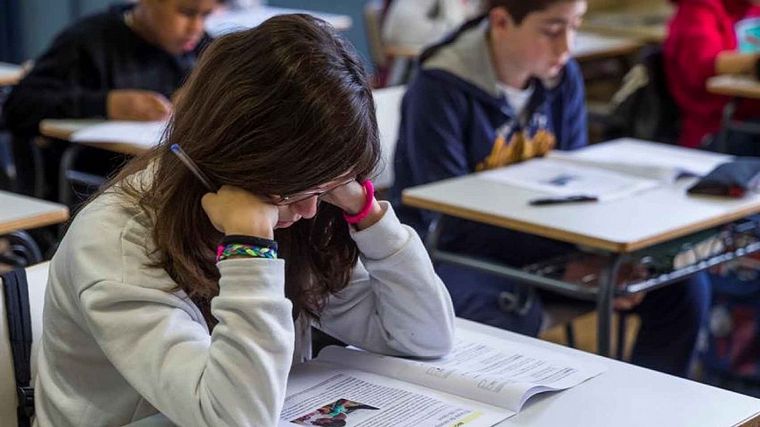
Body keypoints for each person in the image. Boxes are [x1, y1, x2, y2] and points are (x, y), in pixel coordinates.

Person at [34, 14, 455, 426]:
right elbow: (237, 418)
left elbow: (423, 338)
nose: (311, 210)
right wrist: (250, 250)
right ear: (240, 158)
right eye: (299, 191)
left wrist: (368, 216)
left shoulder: (294, 214)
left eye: (322, 190)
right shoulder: (119, 242)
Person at [390, 0, 711, 377]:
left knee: (681, 288)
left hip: (542, 246)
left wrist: (597, 259)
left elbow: (575, 192)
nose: (567, 47)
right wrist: (564, 266)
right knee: (504, 308)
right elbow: (446, 218)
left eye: (575, 26)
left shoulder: (563, 77)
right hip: (453, 253)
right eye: (552, 30)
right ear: (501, 21)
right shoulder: (440, 86)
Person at [3, 0, 221, 197]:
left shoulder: (201, 48)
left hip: (172, 178)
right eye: (186, 13)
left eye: (205, 15)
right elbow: (19, 105)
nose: (196, 28)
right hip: (97, 187)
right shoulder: (88, 41)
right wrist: (106, 104)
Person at [664, 0, 760, 151]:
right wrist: (754, 62)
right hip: (718, 128)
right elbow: (704, 64)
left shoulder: (751, 8)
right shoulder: (698, 9)